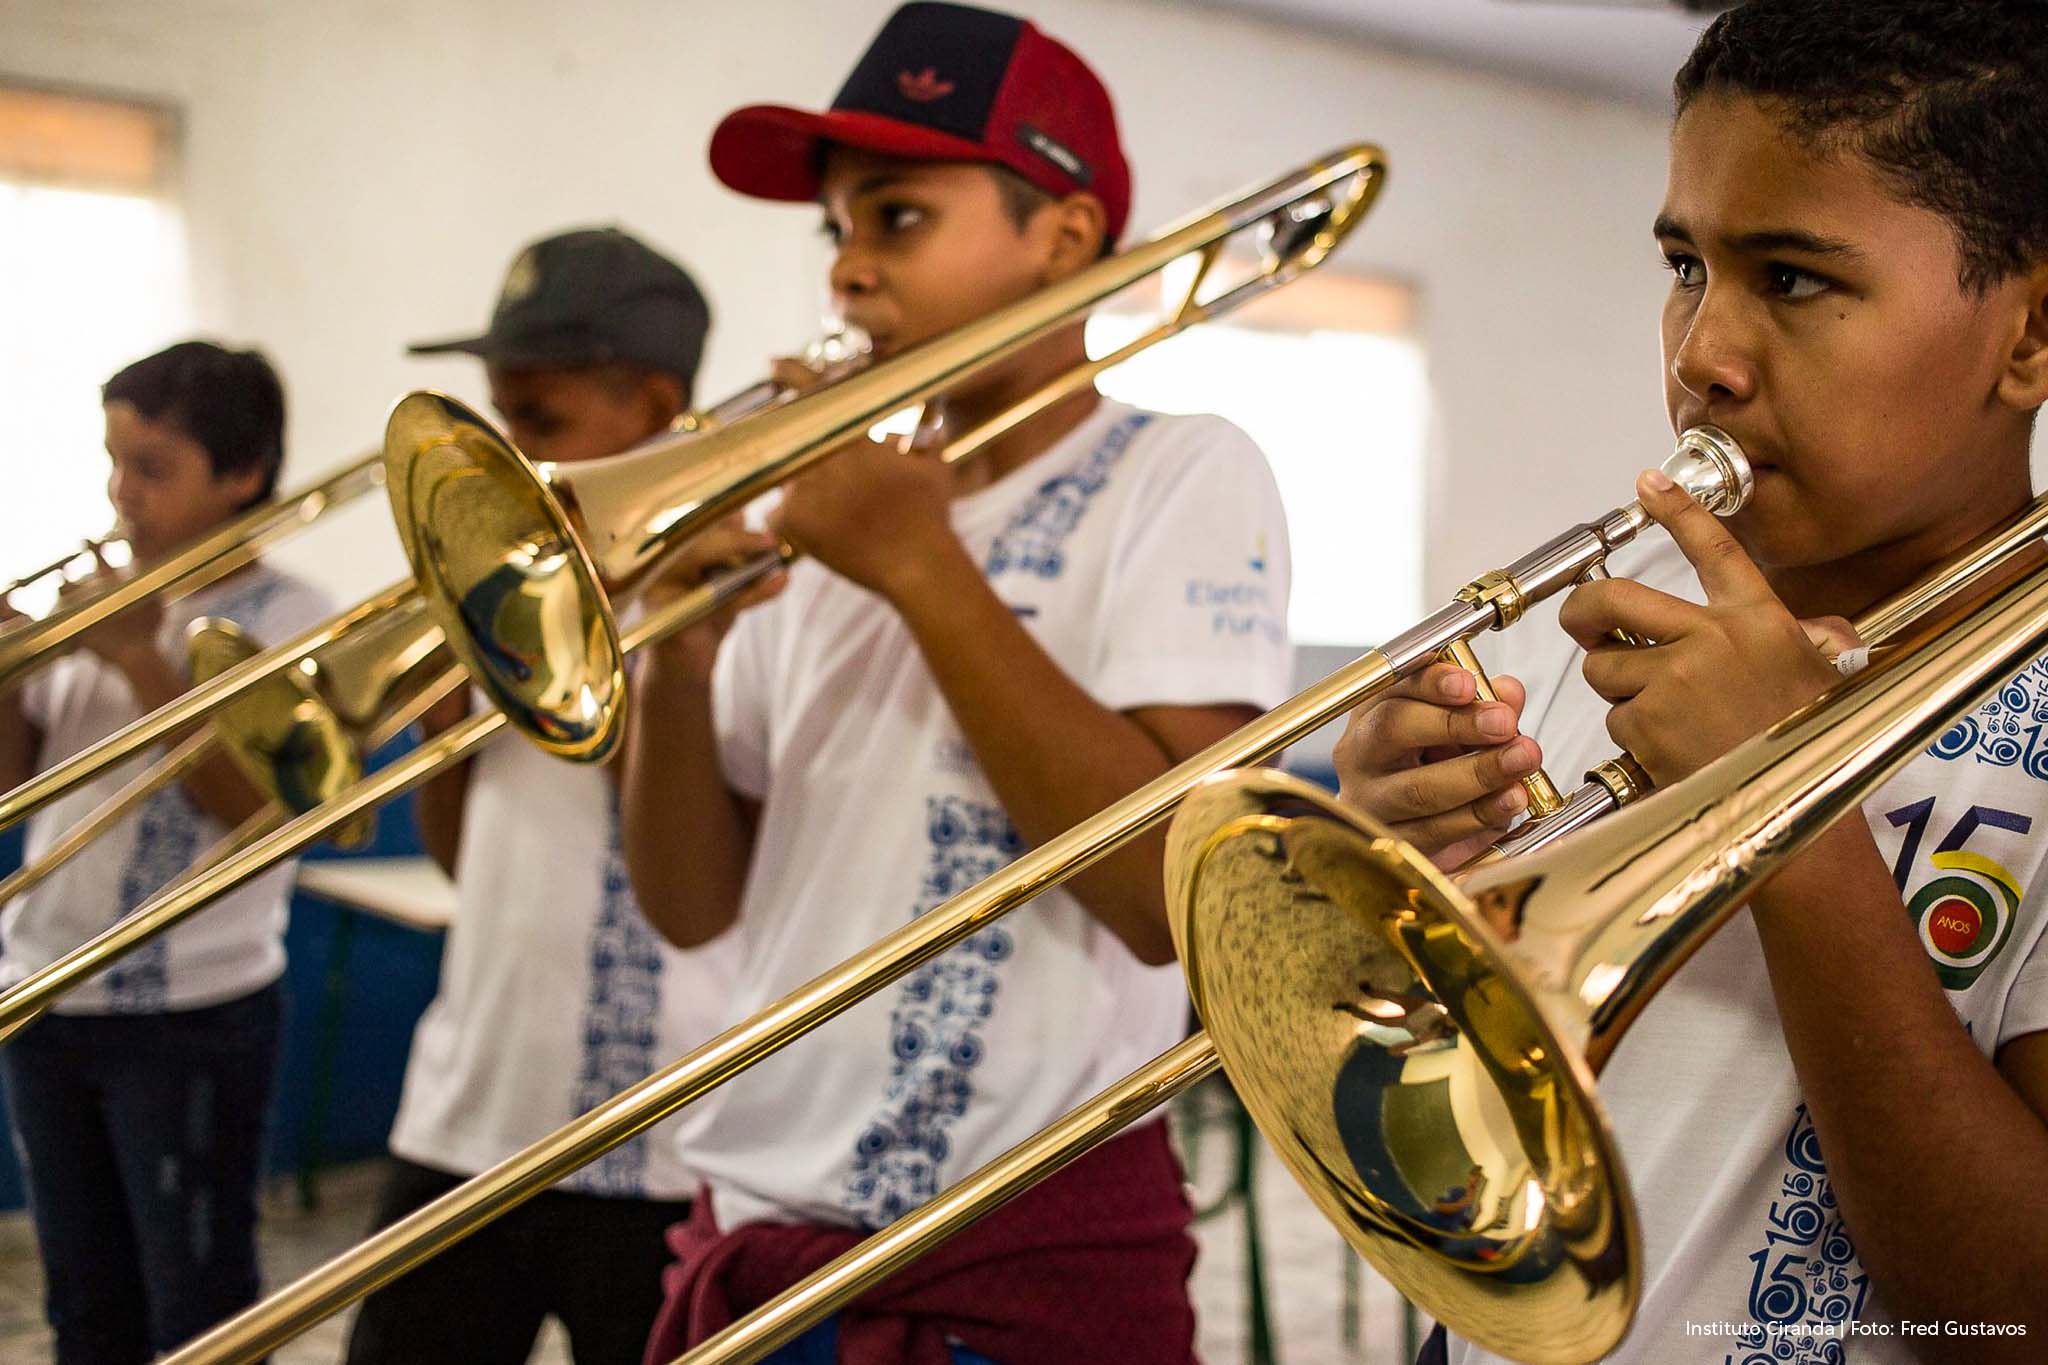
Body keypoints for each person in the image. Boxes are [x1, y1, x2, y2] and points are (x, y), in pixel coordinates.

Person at [1334, 3, 2048, 1359]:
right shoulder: (1594, 632)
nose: (1700, 354)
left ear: (2028, 337)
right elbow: (1444, 1141)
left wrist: (1784, 813)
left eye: (1792, 279)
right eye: (1684, 265)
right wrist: (1404, 875)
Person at [617, 5, 1295, 1361]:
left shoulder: (1184, 474)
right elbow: (693, 906)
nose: (850, 274)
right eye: (838, 233)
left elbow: (1167, 893)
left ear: (1065, 235)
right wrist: (675, 655)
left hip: (1012, 1252)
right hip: (755, 1221)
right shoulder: (820, 512)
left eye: (899, 219)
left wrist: (919, 563)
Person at [342, 227, 743, 1365]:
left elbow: (708, 872)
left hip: (674, 1137)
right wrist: (445, 719)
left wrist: (617, 638)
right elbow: (468, 860)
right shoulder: (511, 589)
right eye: (499, 419)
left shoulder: (733, 598)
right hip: (470, 1113)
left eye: (539, 423)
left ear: (657, 407)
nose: (507, 459)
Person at [0, 340, 331, 1364]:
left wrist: (145, 655)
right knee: (84, 1308)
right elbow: (18, 782)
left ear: (241, 477)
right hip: (50, 993)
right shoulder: (104, 606)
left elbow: (256, 808)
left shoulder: (296, 616)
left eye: (153, 469)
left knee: (199, 1306)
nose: (121, 494)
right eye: (115, 462)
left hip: (192, 1014)